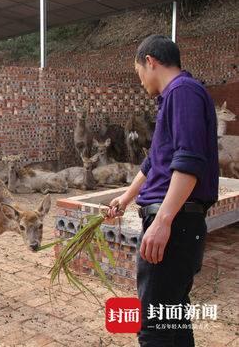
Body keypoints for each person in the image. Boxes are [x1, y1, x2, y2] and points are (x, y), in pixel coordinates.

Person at [107, 35, 219, 346]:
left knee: (156, 327)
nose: (140, 81)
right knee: (171, 319)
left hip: (176, 223)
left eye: (138, 72)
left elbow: (189, 161)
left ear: (150, 62)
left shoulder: (183, 92)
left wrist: (163, 221)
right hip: (176, 221)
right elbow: (155, 161)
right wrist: (127, 197)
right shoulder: (175, 97)